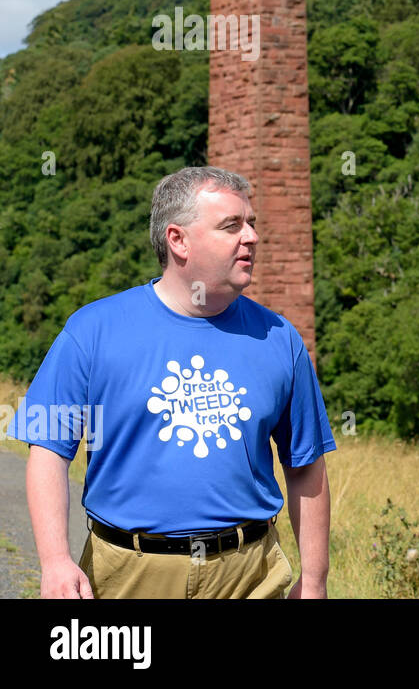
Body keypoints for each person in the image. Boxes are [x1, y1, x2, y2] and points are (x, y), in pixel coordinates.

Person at [7, 166, 335, 599]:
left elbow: (305, 464)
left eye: (251, 223)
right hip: (127, 574)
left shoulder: (278, 338)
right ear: (178, 240)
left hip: (250, 573)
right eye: (231, 226)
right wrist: (53, 562)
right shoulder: (92, 331)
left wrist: (313, 580)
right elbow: (48, 450)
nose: (251, 237)